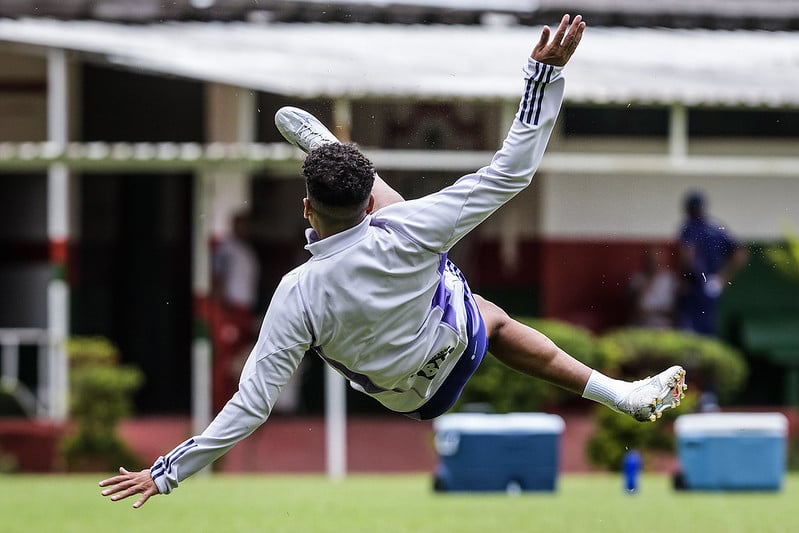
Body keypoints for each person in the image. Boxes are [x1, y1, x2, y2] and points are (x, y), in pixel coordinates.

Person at [99, 15, 687, 508]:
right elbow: (512, 171)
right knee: (477, 299)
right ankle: (624, 395)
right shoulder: (405, 228)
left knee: (422, 251)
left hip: (401, 393)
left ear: (305, 209)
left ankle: (332, 159)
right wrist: (544, 74)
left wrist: (166, 472)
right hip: (450, 336)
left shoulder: (295, 292)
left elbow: (250, 405)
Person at [675, 190, 748, 336]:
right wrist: (722, 278)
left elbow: (687, 256)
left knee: (690, 331)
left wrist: (683, 279)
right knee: (708, 329)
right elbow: (740, 255)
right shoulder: (717, 228)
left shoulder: (689, 227)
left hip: (694, 286)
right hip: (712, 285)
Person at [209, 211, 261, 411]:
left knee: (242, 358)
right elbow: (217, 277)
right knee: (225, 358)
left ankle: (239, 402)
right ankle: (218, 404)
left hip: (245, 308)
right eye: (241, 225)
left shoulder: (247, 250)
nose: (245, 229)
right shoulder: (226, 249)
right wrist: (223, 308)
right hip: (231, 308)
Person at [627, 246, 677, 329]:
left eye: (656, 261)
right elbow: (635, 310)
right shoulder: (637, 279)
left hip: (665, 326)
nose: (654, 264)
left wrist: (651, 312)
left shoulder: (671, 280)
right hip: (641, 326)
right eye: (650, 261)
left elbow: (673, 311)